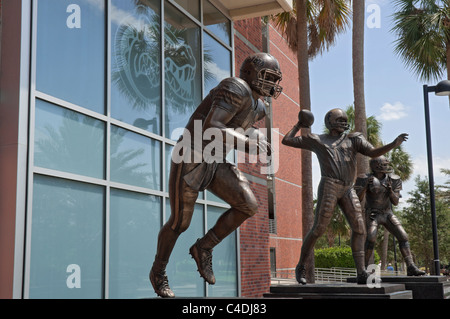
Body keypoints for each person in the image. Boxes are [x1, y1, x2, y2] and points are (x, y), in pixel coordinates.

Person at [149, 53, 283, 298]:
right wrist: (247, 143)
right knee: (180, 222)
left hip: (216, 159)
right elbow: (212, 126)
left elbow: (240, 125)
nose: (273, 84)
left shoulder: (259, 107)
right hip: (191, 153)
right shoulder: (235, 87)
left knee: (248, 205)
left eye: (275, 79)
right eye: (269, 77)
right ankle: (158, 272)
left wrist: (257, 137)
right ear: (251, 73)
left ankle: (204, 247)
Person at [282, 108, 408, 284]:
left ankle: (361, 272)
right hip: (330, 186)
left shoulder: (353, 139)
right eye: (339, 119)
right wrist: (299, 125)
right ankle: (301, 266)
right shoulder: (318, 140)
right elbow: (286, 140)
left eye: (344, 119)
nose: (343, 122)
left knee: (360, 229)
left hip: (348, 188)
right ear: (329, 121)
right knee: (318, 229)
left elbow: (372, 153)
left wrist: (394, 143)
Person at [355, 156, 425, 276]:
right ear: (376, 166)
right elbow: (358, 197)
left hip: (387, 212)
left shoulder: (393, 179)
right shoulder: (365, 178)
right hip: (373, 213)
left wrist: (390, 191)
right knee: (371, 238)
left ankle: (411, 266)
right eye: (383, 164)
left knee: (403, 236)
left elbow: (396, 202)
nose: (386, 166)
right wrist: (365, 187)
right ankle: (364, 269)